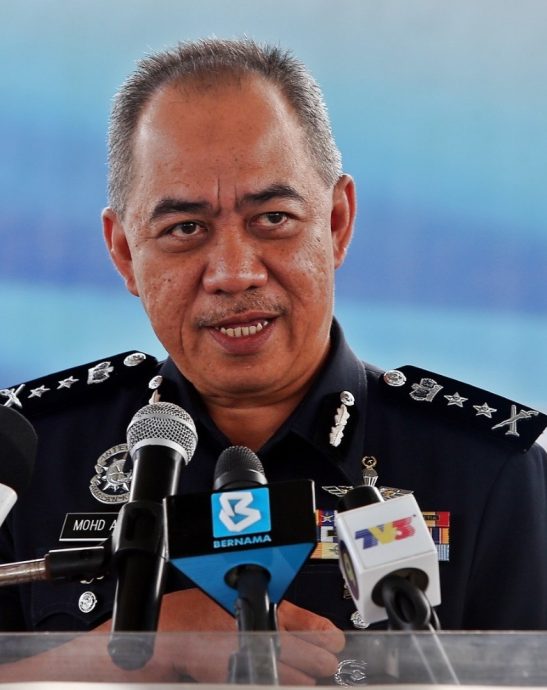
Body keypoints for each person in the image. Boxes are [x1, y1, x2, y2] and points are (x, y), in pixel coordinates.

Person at [1, 37, 546, 681]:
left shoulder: (487, 471)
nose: (234, 273)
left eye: (273, 218)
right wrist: (118, 659)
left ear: (336, 222)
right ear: (124, 252)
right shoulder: (24, 459)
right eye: (185, 228)